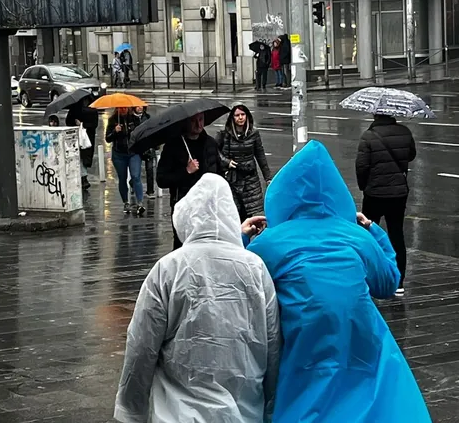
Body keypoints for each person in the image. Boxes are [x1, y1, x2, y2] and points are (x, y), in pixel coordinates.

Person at [242, 141, 431, 422]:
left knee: (309, 398)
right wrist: (371, 230)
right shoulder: (354, 236)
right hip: (359, 334)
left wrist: (242, 237)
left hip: (306, 335)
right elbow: (388, 282)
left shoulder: (270, 242)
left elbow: (239, 276)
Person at [114, 173, 280, 423]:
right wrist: (271, 407)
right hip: (245, 412)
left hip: (178, 414)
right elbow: (272, 344)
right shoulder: (255, 269)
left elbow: (141, 346)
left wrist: (131, 410)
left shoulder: (169, 269)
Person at [355, 114, 416, 295]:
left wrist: (363, 186)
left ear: (375, 114)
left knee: (368, 235)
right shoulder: (404, 132)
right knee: (396, 234)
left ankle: (368, 275)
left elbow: (362, 166)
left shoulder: (368, 136)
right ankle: (399, 282)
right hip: (399, 193)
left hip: (374, 193)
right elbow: (411, 155)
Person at [156, 113, 220, 250]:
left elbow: (219, 175)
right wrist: (186, 171)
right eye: (193, 121)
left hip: (207, 207)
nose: (199, 125)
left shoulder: (211, 144)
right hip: (183, 206)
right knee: (183, 248)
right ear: (185, 123)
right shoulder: (173, 146)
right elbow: (161, 180)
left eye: (201, 119)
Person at [217, 104, 272, 221]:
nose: (240, 118)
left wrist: (268, 178)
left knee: (248, 214)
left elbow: (260, 155)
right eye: (237, 115)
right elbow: (214, 151)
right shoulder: (224, 133)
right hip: (232, 178)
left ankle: (244, 237)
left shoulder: (253, 133)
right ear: (232, 117)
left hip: (249, 179)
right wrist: (226, 162)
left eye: (243, 114)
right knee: (233, 212)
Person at [105, 107, 144, 216]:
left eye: (125, 107)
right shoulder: (113, 119)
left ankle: (140, 202)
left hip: (133, 153)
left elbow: (140, 133)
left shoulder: (133, 118)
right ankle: (125, 202)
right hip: (119, 154)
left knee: (136, 176)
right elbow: (107, 138)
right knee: (122, 178)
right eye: (121, 108)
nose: (123, 109)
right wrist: (115, 132)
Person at [66, 96, 98, 190]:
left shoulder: (76, 108)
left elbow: (68, 121)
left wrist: (81, 124)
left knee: (81, 156)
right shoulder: (92, 108)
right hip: (84, 137)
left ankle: (83, 177)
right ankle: (83, 177)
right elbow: (95, 124)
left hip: (82, 137)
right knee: (83, 157)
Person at [132, 105, 156, 199]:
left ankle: (150, 191)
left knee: (150, 170)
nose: (139, 108)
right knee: (135, 171)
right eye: (137, 106)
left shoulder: (148, 118)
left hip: (148, 147)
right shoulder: (131, 119)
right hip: (137, 148)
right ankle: (133, 185)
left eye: (141, 106)